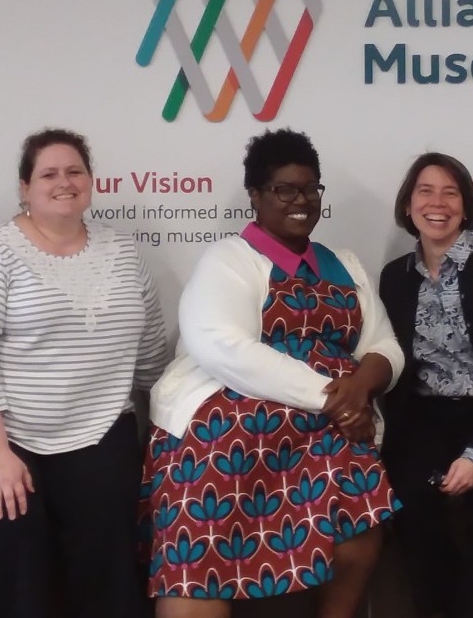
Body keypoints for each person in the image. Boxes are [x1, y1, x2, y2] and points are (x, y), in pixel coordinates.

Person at [0, 128, 168, 618]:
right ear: (25, 187)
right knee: (14, 526)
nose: (63, 182)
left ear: (90, 181)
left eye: (74, 171)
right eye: (48, 173)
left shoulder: (125, 254)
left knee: (109, 530)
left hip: (89, 423)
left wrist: (175, 421)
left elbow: (150, 354)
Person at [143, 128, 403, 618]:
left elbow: (384, 344)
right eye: (286, 189)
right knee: (201, 534)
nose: (301, 200)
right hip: (227, 425)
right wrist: (335, 398)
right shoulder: (230, 259)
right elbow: (222, 347)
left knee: (362, 516)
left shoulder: (343, 264)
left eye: (311, 188)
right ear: (256, 196)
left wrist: (362, 386)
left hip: (328, 427)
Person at [378, 152, 473, 618]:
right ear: (408, 205)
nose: (437, 203)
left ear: (466, 207)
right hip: (423, 420)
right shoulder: (395, 277)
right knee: (411, 510)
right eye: (425, 191)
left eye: (451, 192)